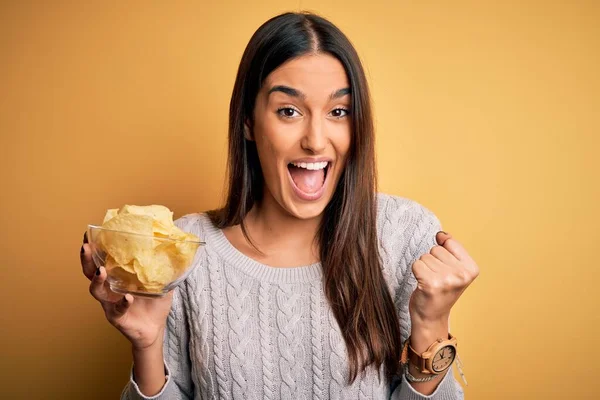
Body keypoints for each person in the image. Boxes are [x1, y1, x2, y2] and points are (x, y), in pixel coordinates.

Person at [80, 11, 478, 400]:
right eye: (289, 111)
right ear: (249, 123)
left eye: (338, 111)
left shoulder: (403, 235)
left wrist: (431, 326)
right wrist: (148, 345)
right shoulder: (184, 249)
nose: (316, 140)